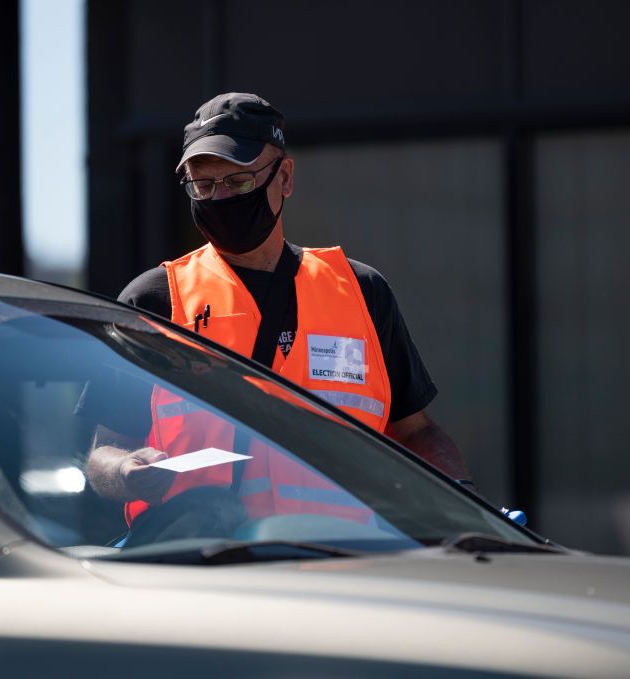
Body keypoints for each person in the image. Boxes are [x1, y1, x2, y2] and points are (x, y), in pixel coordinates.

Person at [85, 92, 471, 533]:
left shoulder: (360, 292)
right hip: (202, 571)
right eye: (203, 185)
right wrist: (125, 472)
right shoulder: (155, 300)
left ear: (284, 177)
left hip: (348, 570)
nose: (220, 198)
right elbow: (103, 453)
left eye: (239, 182)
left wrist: (467, 506)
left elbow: (416, 432)